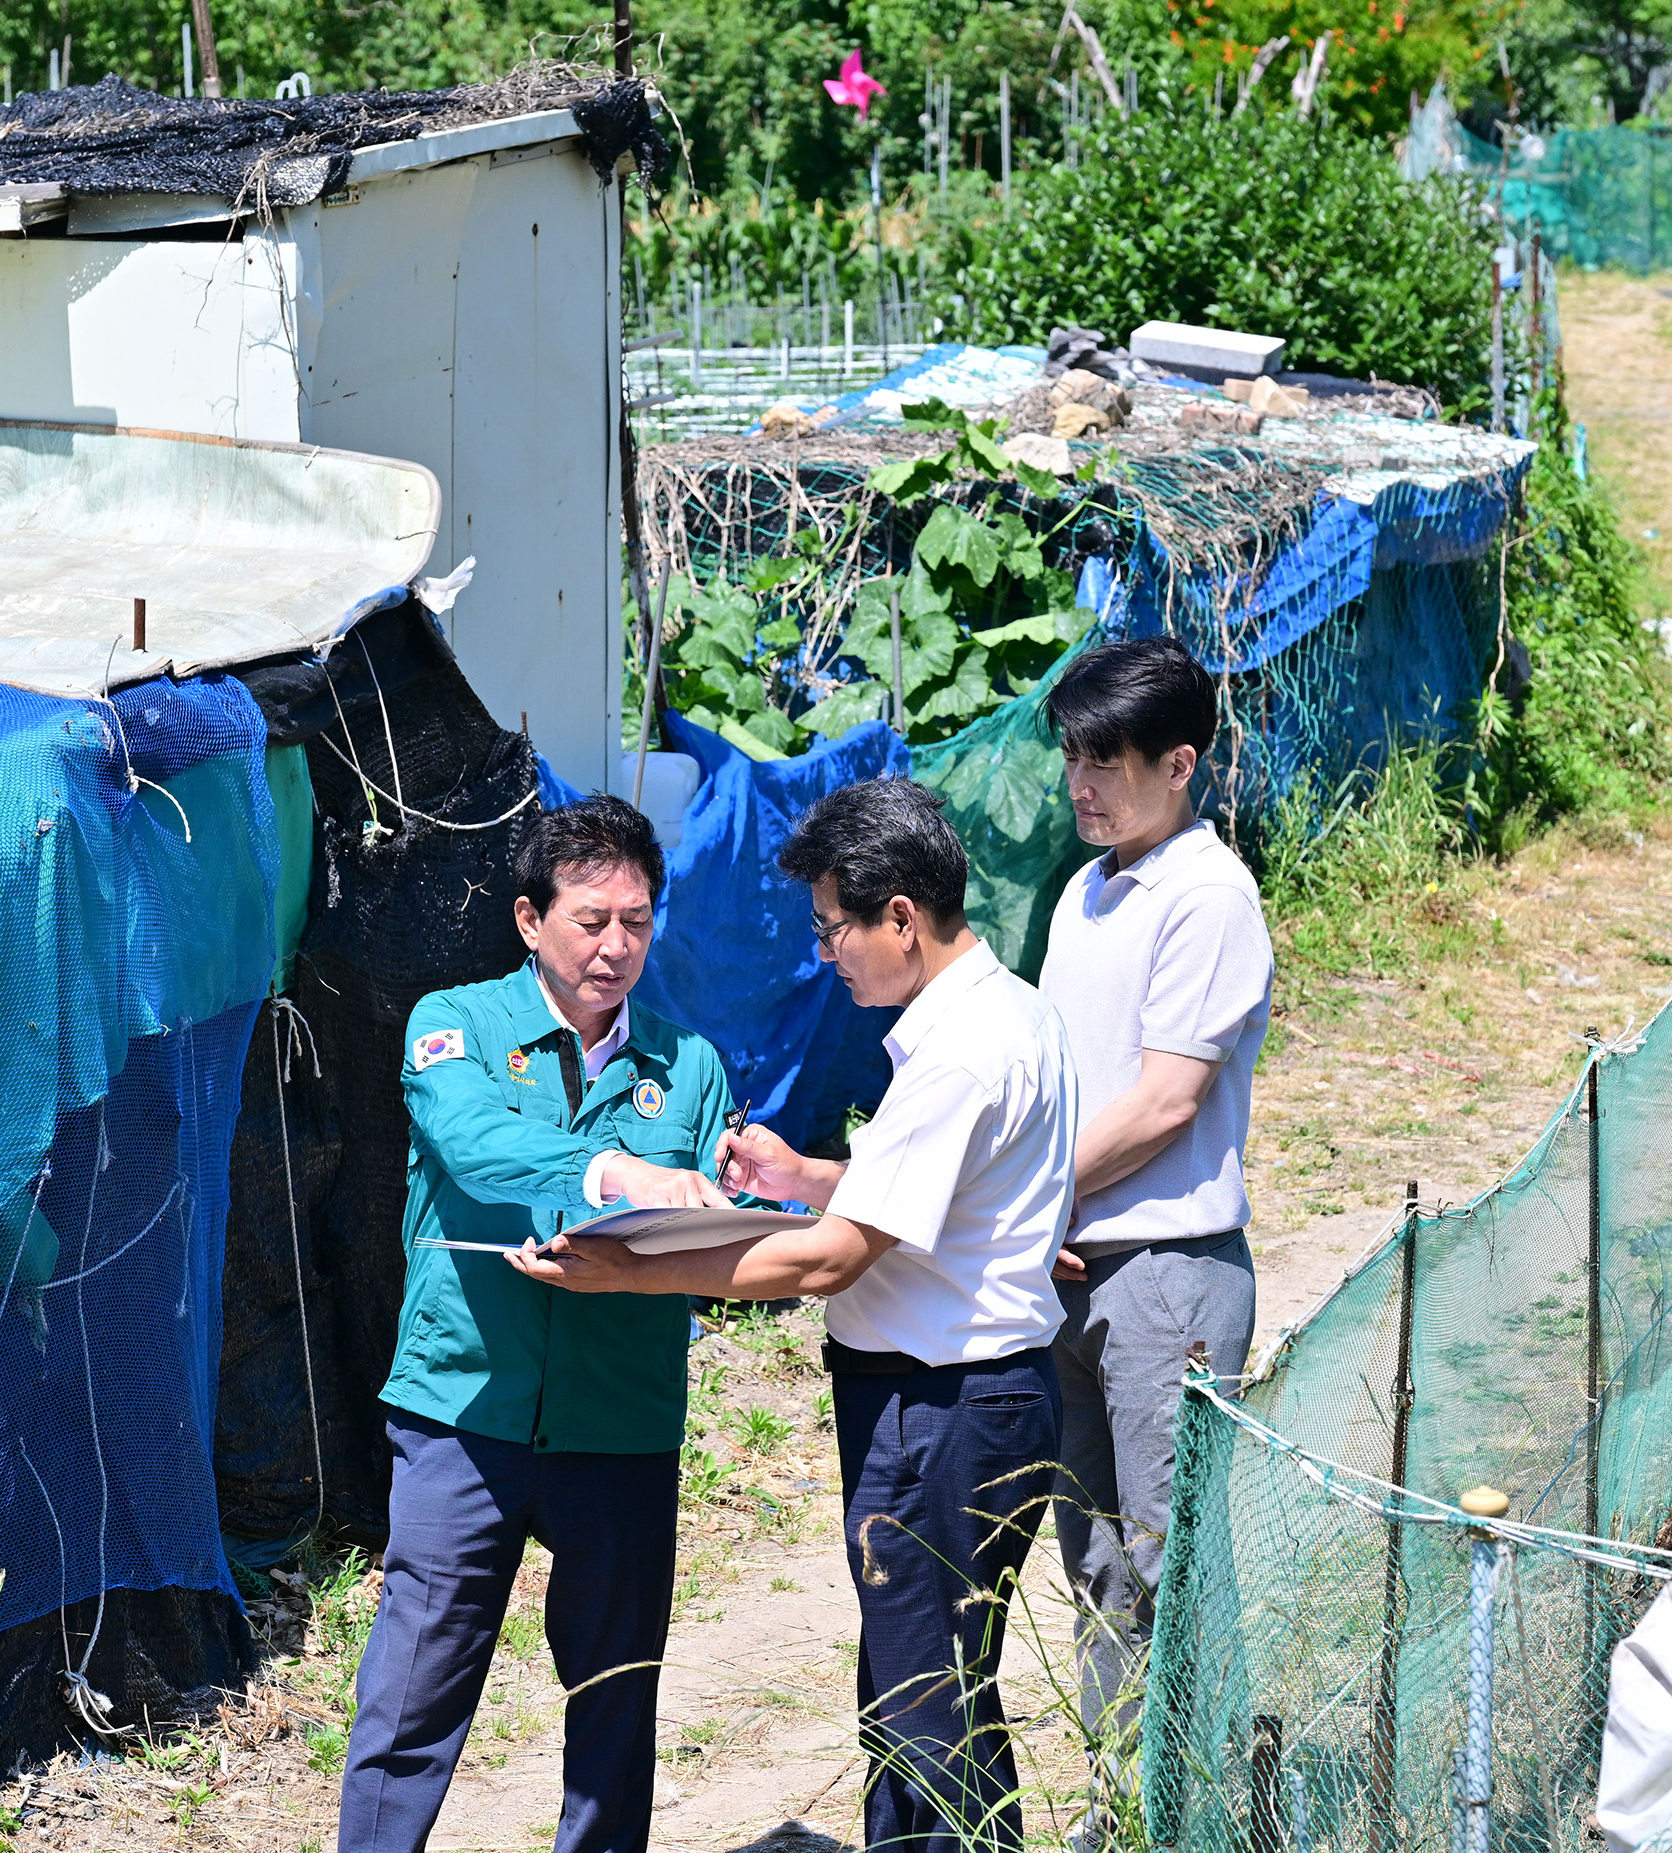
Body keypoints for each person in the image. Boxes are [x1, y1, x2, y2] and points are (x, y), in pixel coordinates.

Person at [513, 777, 1075, 1853]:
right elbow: (920, 1201)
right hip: (985, 1395)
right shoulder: (1012, 1009)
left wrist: (639, 1270)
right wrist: (808, 1172)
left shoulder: (955, 1053)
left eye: (834, 928)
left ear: (900, 917)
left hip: (938, 1410)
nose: (827, 955)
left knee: (924, 1709)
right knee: (937, 1684)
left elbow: (834, 1258)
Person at [337, 795, 739, 1853]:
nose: (616, 946)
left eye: (638, 921)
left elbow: (695, 1240)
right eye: (591, 919)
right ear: (529, 919)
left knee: (614, 1690)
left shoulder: (688, 1064)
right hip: (465, 1403)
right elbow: (473, 1149)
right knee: (413, 1691)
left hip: (622, 1415)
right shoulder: (451, 1023)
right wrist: (610, 1173)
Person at [1038, 637, 1274, 1801]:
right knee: (1093, 1563)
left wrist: (1031, 1196)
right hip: (1073, 1262)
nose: (1082, 780)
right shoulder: (1086, 888)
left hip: (1167, 1273)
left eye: (1109, 758)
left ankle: (1197, 1804)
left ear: (1179, 763)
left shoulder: (1208, 894)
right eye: (1075, 753)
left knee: (1167, 1562)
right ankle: (1117, 1796)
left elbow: (1166, 1100)